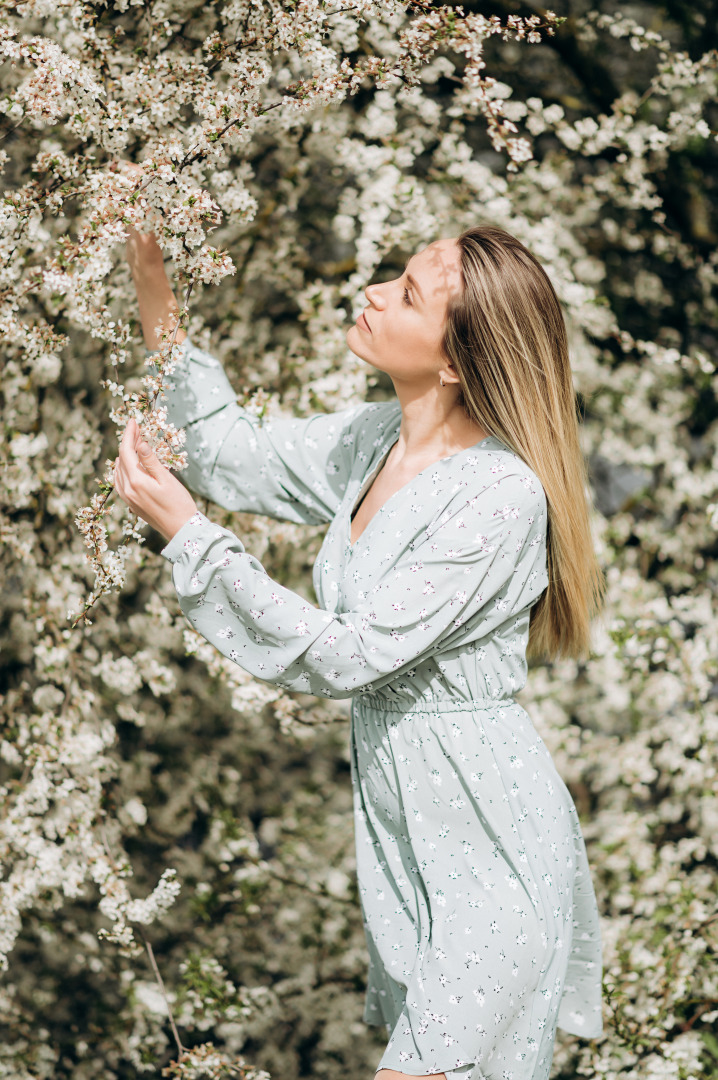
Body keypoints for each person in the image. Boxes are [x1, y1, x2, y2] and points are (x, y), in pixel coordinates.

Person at [116, 222, 606, 1080]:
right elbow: (232, 455)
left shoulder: (500, 497)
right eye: (394, 276)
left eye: (408, 294)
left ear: (456, 362)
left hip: (493, 860)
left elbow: (348, 656)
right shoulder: (375, 441)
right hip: (414, 863)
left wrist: (190, 538)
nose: (375, 291)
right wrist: (152, 279)